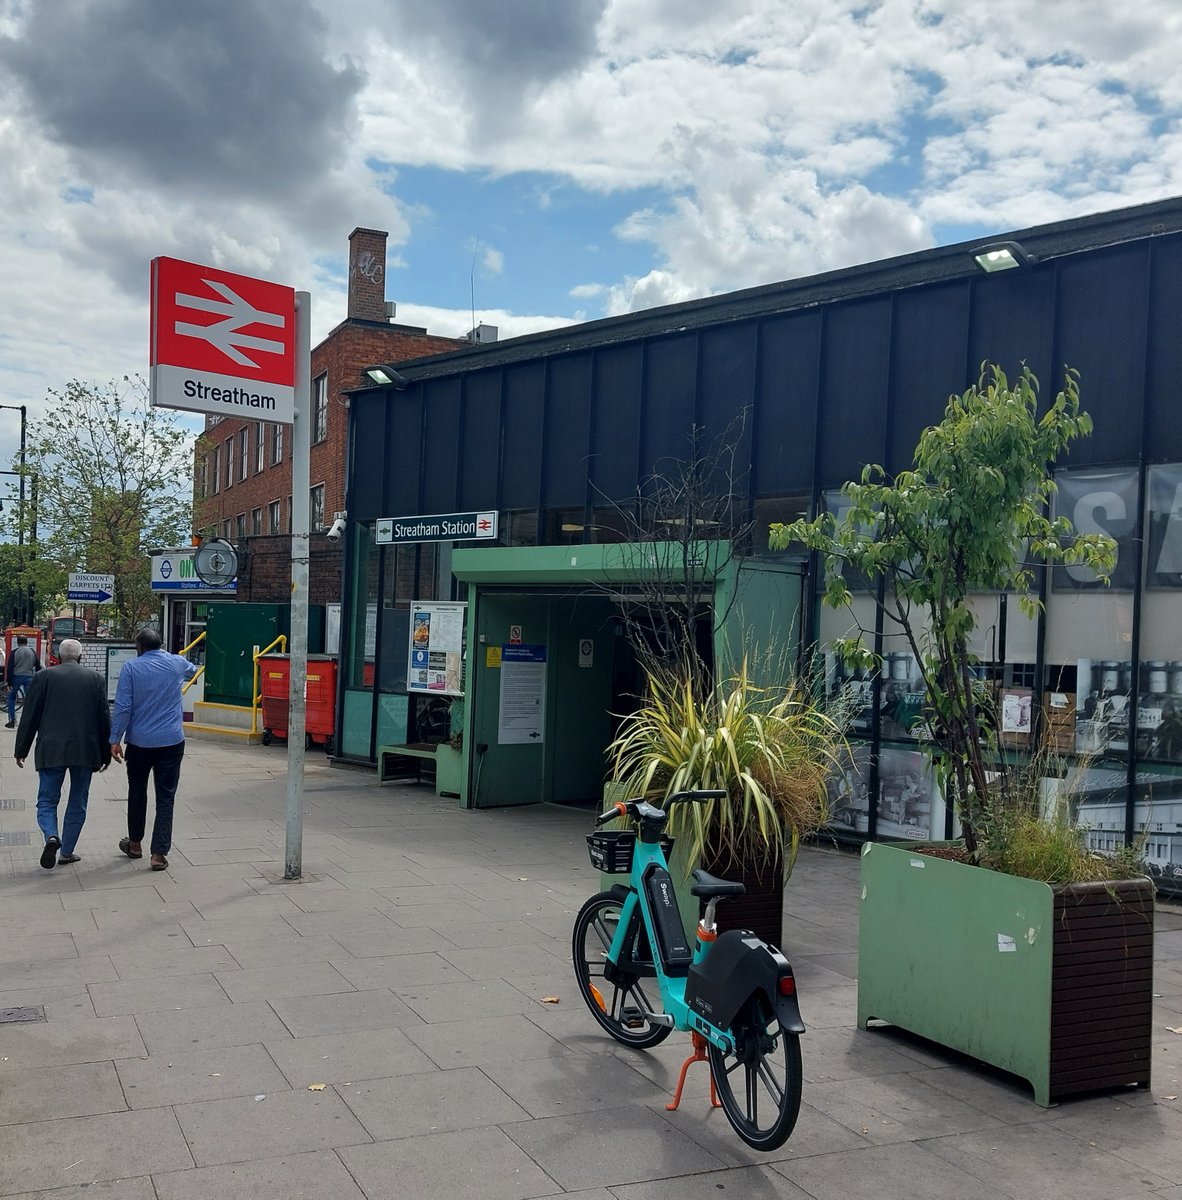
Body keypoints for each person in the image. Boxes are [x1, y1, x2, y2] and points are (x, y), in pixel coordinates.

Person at [14, 639, 111, 869]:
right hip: (84, 750)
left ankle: (51, 836)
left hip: (52, 748)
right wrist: (106, 752)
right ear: (81, 655)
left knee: (47, 800)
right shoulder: (96, 679)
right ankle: (66, 851)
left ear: (58, 654)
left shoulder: (44, 677)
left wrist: (21, 749)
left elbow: (30, 715)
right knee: (78, 801)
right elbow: (104, 718)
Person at [110, 628, 197, 872]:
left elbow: (124, 706)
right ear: (161, 644)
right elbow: (194, 670)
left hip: (139, 742)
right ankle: (158, 854)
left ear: (139, 647)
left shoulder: (131, 668)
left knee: (137, 791)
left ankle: (135, 844)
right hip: (171, 741)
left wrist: (115, 738)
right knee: (166, 797)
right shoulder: (177, 663)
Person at [5, 635, 39, 728]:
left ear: (18, 642)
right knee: (29, 700)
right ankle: (29, 721)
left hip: (16, 677)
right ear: (27, 642)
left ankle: (12, 720)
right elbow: (38, 665)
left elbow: (10, 667)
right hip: (29, 677)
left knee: (11, 698)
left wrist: (9, 682)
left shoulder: (14, 652)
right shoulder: (32, 652)